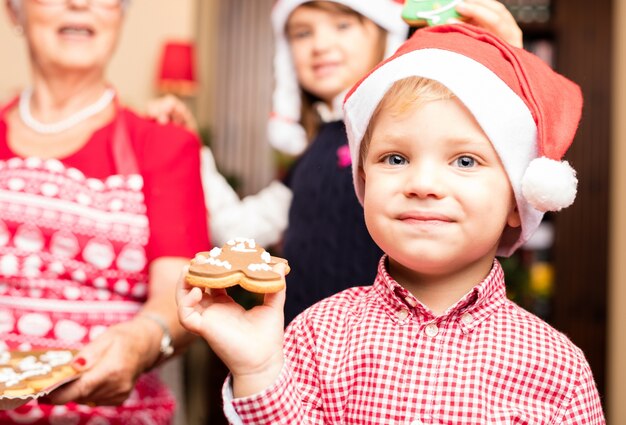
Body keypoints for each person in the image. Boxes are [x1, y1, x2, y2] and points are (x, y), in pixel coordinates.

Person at [177, 23, 605, 424]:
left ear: (518, 198)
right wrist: (258, 368)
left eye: (465, 160)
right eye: (395, 158)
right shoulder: (315, 334)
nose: (422, 184)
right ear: (362, 181)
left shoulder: (556, 368)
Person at [155, 0, 523, 325]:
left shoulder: (424, 132)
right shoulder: (311, 153)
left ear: (385, 30)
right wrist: (193, 151)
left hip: (387, 350)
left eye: (343, 24)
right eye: (302, 33)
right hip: (302, 354)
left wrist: (508, 58)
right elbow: (239, 230)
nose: (320, 45)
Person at [0, 0, 208, 423]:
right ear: (14, 11)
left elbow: (178, 290)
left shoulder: (164, 143)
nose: (80, 4)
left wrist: (142, 339)